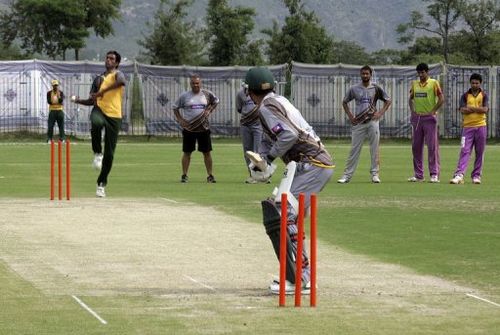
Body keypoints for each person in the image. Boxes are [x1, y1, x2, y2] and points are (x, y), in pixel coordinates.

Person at [244, 67, 334, 294]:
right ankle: (301, 277)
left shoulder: (265, 107)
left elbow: (288, 135)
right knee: (288, 216)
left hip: (311, 164)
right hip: (311, 164)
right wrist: (261, 162)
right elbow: (269, 141)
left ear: (249, 92)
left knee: (283, 212)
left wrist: (270, 158)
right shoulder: (278, 101)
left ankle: (301, 278)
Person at [73, 50, 126, 198]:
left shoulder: (117, 74)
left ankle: (101, 184)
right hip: (100, 110)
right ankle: (97, 152)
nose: (108, 60)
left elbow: (121, 82)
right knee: (95, 122)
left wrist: (102, 92)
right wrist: (78, 100)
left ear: (116, 63)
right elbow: (92, 100)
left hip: (115, 115)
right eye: (107, 58)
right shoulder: (97, 79)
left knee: (110, 154)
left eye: (112, 59)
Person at [337, 65, 391, 184]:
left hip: (373, 122)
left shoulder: (376, 88)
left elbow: (388, 100)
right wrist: (351, 116)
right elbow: (344, 102)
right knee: (354, 150)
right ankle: (346, 176)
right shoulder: (354, 88)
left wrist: (380, 113)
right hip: (359, 123)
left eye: (367, 74)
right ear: (360, 74)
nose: (365, 76)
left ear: (371, 75)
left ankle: (375, 175)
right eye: (363, 74)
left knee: (374, 149)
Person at [173, 74, 219, 183]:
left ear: (200, 83)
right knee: (187, 152)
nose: (195, 85)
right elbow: (175, 107)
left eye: (197, 83)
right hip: (189, 129)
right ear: (190, 84)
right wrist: (180, 119)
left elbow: (216, 101)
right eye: (193, 83)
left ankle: (210, 175)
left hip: (204, 128)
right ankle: (184, 175)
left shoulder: (207, 94)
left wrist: (210, 109)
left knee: (207, 152)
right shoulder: (184, 96)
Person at [408, 63, 444, 183]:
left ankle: (434, 174)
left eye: (422, 72)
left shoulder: (434, 83)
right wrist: (413, 112)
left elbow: (441, 98)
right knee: (416, 147)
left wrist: (433, 111)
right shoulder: (414, 84)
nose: (420, 75)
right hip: (417, 118)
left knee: (432, 147)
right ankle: (419, 175)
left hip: (429, 119)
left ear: (427, 72)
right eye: (418, 73)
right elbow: (410, 99)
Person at [449, 73, 488, 185]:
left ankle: (476, 176)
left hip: (481, 126)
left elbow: (485, 109)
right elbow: (462, 110)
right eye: (473, 83)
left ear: (480, 83)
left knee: (479, 152)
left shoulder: (484, 95)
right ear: (470, 83)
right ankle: (459, 175)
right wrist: (477, 109)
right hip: (467, 128)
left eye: (477, 83)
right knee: (464, 150)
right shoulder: (465, 95)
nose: (475, 85)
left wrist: (471, 108)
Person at [236, 84, 263, 184]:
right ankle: (252, 175)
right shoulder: (240, 93)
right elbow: (239, 108)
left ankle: (262, 174)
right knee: (247, 151)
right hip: (245, 125)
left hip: (258, 124)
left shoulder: (260, 91)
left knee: (258, 151)